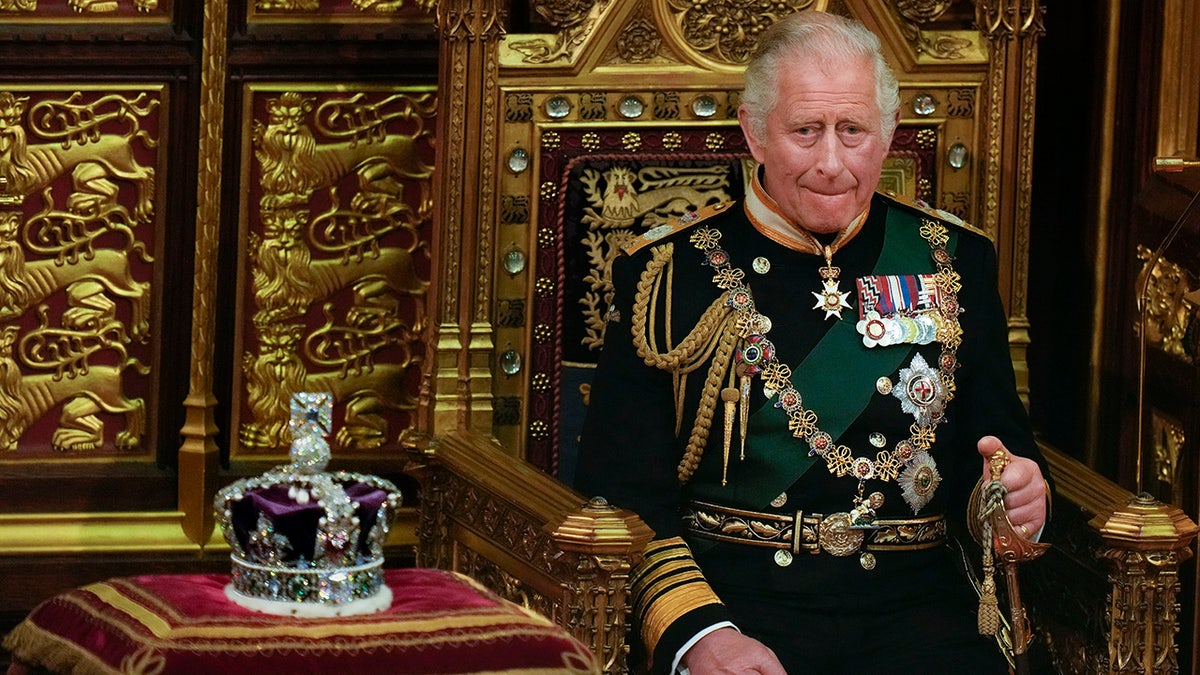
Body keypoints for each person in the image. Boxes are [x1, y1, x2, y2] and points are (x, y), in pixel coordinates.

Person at [575, 10, 1050, 675]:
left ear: (886, 137)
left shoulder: (954, 261)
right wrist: (700, 634)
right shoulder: (669, 276)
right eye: (806, 131)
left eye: (853, 131)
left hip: (920, 612)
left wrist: (1012, 494)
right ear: (754, 132)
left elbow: (995, 446)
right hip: (740, 606)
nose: (831, 162)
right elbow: (620, 491)